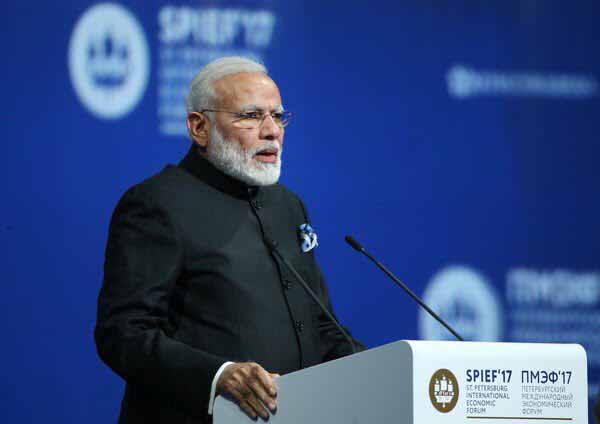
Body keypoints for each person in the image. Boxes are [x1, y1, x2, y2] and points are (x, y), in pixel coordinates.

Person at [95, 56, 363, 424]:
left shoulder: (288, 206)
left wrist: (391, 373)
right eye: (251, 116)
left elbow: (320, 326)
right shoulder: (156, 204)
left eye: (278, 116)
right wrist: (219, 376)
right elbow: (123, 333)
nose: (272, 131)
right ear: (199, 127)